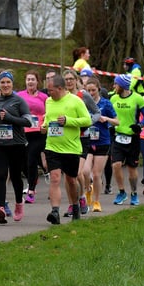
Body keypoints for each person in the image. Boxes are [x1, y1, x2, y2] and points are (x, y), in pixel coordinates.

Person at [41, 75, 92, 224]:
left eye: (51, 90)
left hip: (71, 148)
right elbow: (48, 119)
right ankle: (55, 211)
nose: (49, 93)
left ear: (60, 88)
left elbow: (87, 120)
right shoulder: (48, 101)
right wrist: (44, 126)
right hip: (52, 146)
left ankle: (75, 205)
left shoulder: (76, 101)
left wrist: (69, 121)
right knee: (55, 178)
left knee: (71, 180)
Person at [0, 71, 32, 223]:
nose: (5, 85)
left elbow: (28, 122)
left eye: (8, 82)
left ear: (12, 84)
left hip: (16, 144)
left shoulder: (19, 101)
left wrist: (10, 118)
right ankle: (0, 207)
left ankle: (19, 203)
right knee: (0, 175)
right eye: (2, 82)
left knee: (15, 176)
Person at [62, 69, 101, 217]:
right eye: (66, 79)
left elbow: (97, 112)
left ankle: (82, 197)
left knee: (77, 173)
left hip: (82, 138)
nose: (69, 82)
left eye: (71, 78)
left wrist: (88, 122)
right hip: (66, 139)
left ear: (76, 79)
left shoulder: (83, 95)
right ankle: (73, 204)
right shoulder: (60, 97)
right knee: (67, 175)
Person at [110, 74, 144, 206]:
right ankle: (122, 192)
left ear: (122, 86)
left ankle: (134, 193)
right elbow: (109, 114)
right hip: (118, 137)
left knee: (131, 168)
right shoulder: (113, 98)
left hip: (132, 138)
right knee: (115, 165)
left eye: (116, 84)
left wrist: (140, 125)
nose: (114, 86)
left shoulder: (137, 98)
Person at [83, 77, 117, 212]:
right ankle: (87, 189)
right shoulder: (83, 103)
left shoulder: (106, 104)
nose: (91, 93)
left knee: (97, 174)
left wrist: (106, 119)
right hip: (87, 140)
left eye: (93, 90)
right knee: (85, 171)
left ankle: (96, 201)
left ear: (98, 89)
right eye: (88, 90)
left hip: (103, 141)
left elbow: (117, 121)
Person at [17, 70, 48, 204]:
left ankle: (31, 190)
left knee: (31, 160)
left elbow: (49, 112)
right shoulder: (19, 96)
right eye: (28, 79)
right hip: (23, 132)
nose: (30, 82)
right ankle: (35, 181)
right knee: (24, 162)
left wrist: (45, 125)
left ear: (37, 82)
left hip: (38, 133)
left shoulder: (43, 97)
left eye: (33, 79)